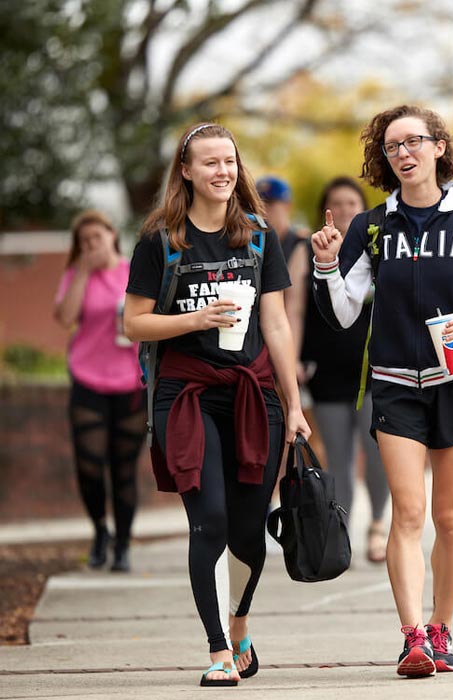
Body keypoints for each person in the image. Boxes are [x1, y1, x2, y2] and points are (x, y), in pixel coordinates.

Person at [311, 105, 453, 677]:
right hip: (395, 385)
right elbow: (344, 312)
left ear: (437, 148)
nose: (402, 153)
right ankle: (412, 639)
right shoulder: (372, 226)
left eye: (412, 142)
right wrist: (327, 266)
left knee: (448, 516)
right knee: (408, 512)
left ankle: (441, 627)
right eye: (390, 147)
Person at [123, 123, 310, 687]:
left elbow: (275, 322)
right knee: (210, 522)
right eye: (209, 162)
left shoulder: (257, 236)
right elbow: (134, 322)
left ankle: (240, 623)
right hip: (186, 396)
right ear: (186, 171)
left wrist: (295, 405)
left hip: (256, 396)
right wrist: (196, 319)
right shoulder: (160, 241)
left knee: (250, 531)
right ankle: (217, 651)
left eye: (229, 161)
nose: (222, 171)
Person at [287, 176, 390, 563]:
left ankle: (379, 524)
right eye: (337, 203)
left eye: (352, 203)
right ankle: (342, 530)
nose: (345, 210)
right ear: (324, 210)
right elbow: (295, 309)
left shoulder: (377, 247)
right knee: (338, 457)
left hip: (375, 370)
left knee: (378, 451)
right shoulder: (305, 249)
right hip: (326, 369)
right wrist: (293, 358)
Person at [54, 210, 147, 573]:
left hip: (130, 384)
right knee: (90, 466)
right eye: (85, 242)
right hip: (88, 381)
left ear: (112, 235)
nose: (93, 245)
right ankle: (99, 531)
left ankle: (123, 543)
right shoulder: (76, 277)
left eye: (98, 237)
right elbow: (64, 318)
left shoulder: (133, 272)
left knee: (123, 470)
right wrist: (81, 272)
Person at [256, 175, 307, 262]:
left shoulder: (303, 244)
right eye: (257, 204)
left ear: (288, 205)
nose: (262, 209)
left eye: (269, 203)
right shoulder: (251, 245)